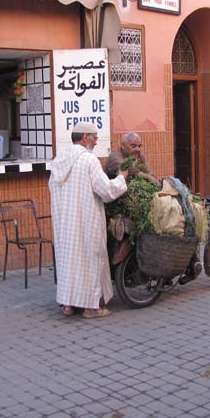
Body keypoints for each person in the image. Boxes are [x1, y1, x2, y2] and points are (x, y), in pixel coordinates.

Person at [49, 122, 129, 318]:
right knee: (90, 260)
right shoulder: (88, 160)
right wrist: (121, 178)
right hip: (86, 222)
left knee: (69, 262)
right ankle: (91, 308)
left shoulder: (59, 160)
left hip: (64, 224)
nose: (96, 139)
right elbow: (106, 190)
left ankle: (68, 304)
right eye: (94, 136)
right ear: (85, 137)